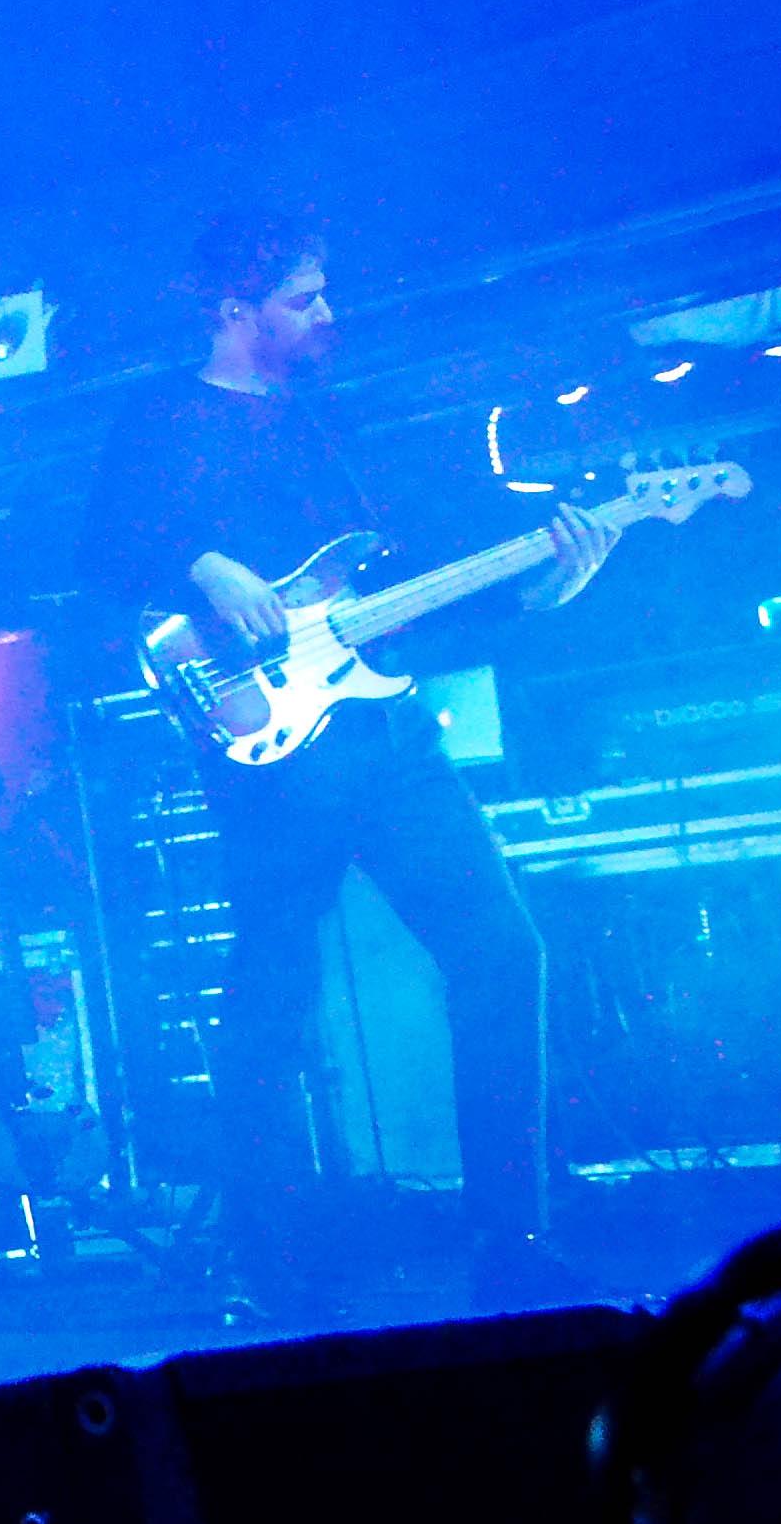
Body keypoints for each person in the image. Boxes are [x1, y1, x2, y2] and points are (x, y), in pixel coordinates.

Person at [79, 208, 602, 1314]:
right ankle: (265, 1257)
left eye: (323, 295)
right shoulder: (160, 417)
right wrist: (197, 559)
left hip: (388, 731)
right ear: (233, 311)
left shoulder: (327, 426)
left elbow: (397, 588)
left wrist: (541, 583)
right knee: (274, 988)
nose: (327, 316)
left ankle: (509, 1235)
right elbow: (94, 548)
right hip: (272, 748)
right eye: (302, 300)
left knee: (502, 951)